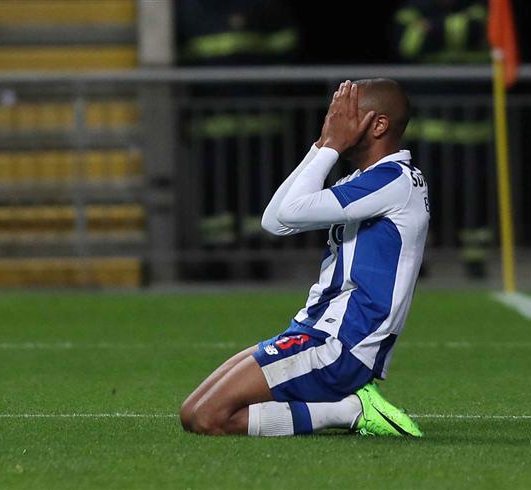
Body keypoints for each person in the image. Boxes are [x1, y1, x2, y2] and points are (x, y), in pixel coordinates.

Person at [180, 79, 429, 437]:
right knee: (192, 413)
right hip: (313, 329)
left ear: (378, 125)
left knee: (209, 418)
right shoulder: (366, 180)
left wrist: (331, 147)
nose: (336, 120)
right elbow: (275, 221)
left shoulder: (395, 181)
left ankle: (350, 411)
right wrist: (320, 147)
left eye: (346, 114)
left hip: (342, 345)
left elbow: (291, 211)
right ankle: (345, 407)